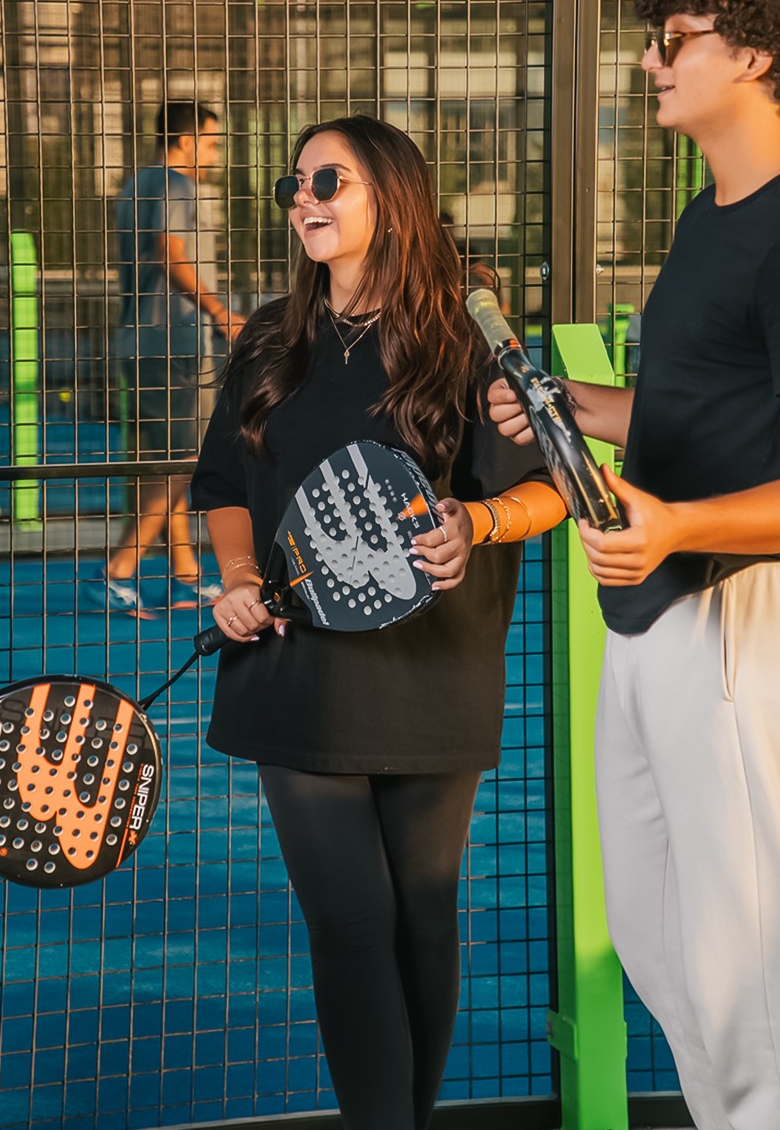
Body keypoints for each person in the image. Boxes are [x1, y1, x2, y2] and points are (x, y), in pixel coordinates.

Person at [489, 0, 780, 1130]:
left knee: (749, 980)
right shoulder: (718, 211)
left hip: (736, 615)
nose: (650, 61)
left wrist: (676, 525)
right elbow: (697, 404)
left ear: (755, 54)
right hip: (661, 609)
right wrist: (569, 411)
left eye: (675, 39)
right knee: (672, 956)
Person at [190, 114, 566, 1130]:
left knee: (421, 917)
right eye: (294, 185)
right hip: (294, 666)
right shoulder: (273, 333)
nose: (303, 198)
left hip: (433, 665)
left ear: (390, 196)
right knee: (350, 921)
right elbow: (224, 479)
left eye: (328, 180)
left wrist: (478, 522)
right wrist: (233, 576)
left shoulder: (472, 338)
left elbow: (553, 490)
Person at [101, 101, 245, 616]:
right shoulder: (176, 187)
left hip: (138, 344)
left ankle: (185, 577)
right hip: (178, 342)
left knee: (163, 465)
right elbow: (169, 250)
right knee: (189, 461)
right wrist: (221, 313)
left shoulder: (132, 186)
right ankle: (117, 571)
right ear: (184, 142)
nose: (214, 154)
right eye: (210, 143)